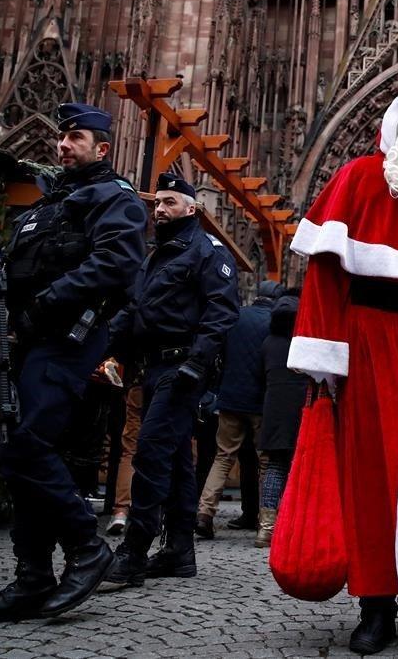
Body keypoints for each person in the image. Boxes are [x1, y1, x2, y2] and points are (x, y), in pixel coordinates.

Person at [286, 87, 398, 654]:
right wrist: (323, 361)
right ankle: (375, 606)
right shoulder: (360, 177)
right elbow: (324, 276)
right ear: (397, 122)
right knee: (373, 476)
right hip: (370, 339)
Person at [0, 103, 148, 624]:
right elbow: (23, 265)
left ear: (102, 148)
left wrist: (47, 302)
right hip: (26, 339)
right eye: (62, 138)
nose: (63, 145)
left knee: (26, 443)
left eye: (76, 138)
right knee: (17, 449)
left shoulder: (116, 198)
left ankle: (87, 548)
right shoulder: (45, 206)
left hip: (67, 337)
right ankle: (33, 576)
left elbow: (115, 262)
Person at [101, 171, 241, 588]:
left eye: (168, 203)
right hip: (155, 366)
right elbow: (135, 308)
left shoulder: (207, 251)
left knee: (150, 453)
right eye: (157, 203)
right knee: (179, 461)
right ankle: (179, 550)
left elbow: (222, 311)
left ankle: (134, 551)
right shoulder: (157, 255)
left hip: (182, 370)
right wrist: (105, 347)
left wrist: (196, 365)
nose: (159, 210)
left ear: (191, 208)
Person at [195, 279, 284, 539]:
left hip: (230, 398)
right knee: (265, 462)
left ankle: (204, 513)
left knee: (223, 457)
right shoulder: (274, 325)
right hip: (260, 402)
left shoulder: (237, 317)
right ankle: (263, 522)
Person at [253, 292, 308, 547]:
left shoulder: (268, 343)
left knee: (275, 467)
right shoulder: (304, 342)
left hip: (274, 411)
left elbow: (258, 378)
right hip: (301, 410)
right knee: (301, 468)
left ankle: (267, 528)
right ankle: (295, 526)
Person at [107, 384, 143, 535]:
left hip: (139, 381)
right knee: (161, 450)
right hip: (168, 384)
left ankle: (121, 511)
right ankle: (150, 514)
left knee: (130, 451)